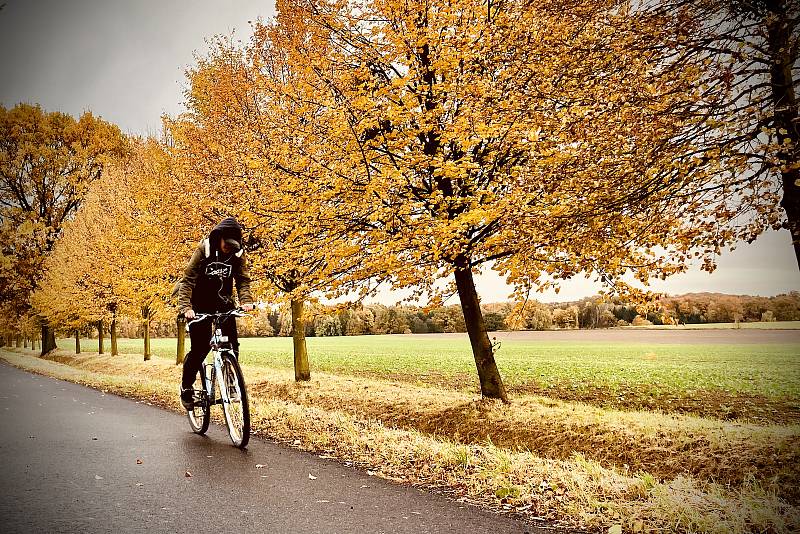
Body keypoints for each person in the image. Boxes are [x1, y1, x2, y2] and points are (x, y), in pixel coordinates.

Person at [177, 217, 254, 408]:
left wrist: (246, 301)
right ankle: (186, 387)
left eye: (232, 246)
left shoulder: (237, 255)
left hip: (224, 303)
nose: (228, 248)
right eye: (226, 245)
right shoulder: (205, 249)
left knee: (231, 345)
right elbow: (187, 280)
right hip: (200, 305)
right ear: (218, 237)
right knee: (201, 348)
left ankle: (230, 382)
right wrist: (186, 308)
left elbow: (243, 280)